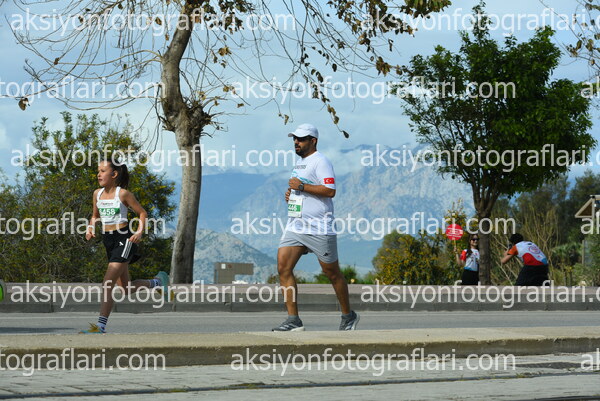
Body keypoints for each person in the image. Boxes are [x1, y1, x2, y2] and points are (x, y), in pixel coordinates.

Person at [273, 123, 359, 332]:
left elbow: (330, 190)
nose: (296, 142)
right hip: (296, 226)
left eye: (301, 139)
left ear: (313, 141)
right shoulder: (300, 163)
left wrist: (301, 187)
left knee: (332, 273)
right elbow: (302, 189)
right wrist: (292, 195)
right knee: (283, 268)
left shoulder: (321, 161)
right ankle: (293, 320)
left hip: (319, 227)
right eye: (295, 138)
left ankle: (348, 316)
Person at [80, 159, 169, 334]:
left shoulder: (123, 194)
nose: (98, 174)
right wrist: (90, 227)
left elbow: (142, 213)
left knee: (107, 283)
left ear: (114, 174)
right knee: (126, 289)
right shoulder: (97, 194)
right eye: (98, 171)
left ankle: (100, 326)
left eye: (103, 171)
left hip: (124, 239)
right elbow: (95, 215)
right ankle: (157, 282)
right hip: (108, 240)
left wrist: (139, 232)